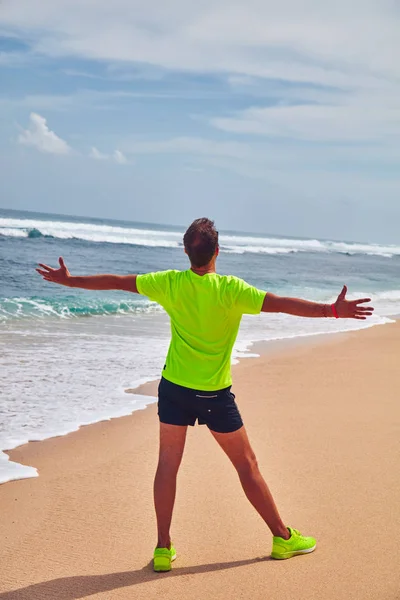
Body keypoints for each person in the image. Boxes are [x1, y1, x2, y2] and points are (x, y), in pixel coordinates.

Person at [37, 217, 374, 572]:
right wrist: (332, 311)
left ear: (185, 252)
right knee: (247, 466)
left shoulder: (168, 283)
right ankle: (283, 539)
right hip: (214, 395)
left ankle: (163, 549)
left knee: (168, 465)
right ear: (217, 252)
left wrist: (71, 281)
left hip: (174, 389)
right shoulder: (231, 289)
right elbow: (281, 303)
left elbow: (117, 283)